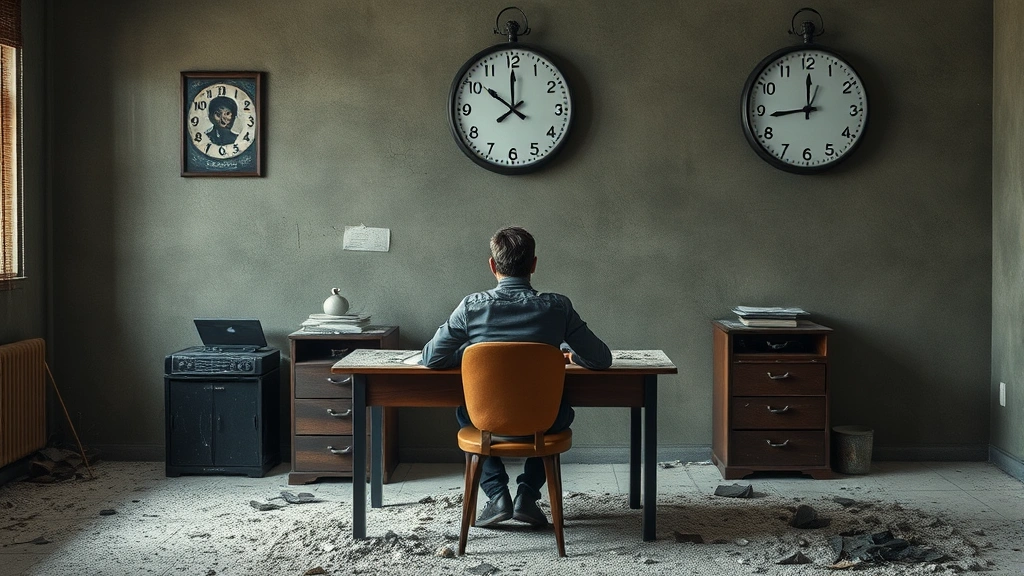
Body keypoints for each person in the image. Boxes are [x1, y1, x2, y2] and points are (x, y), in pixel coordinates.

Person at [422, 226, 612, 528]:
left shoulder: (471, 306)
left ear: (493, 265)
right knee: (562, 412)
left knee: (464, 411)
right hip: (543, 422)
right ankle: (526, 494)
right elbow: (602, 359)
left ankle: (497, 495)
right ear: (533, 265)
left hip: (485, 421)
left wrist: (473, 355)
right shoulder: (557, 306)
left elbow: (432, 357)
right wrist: (570, 355)